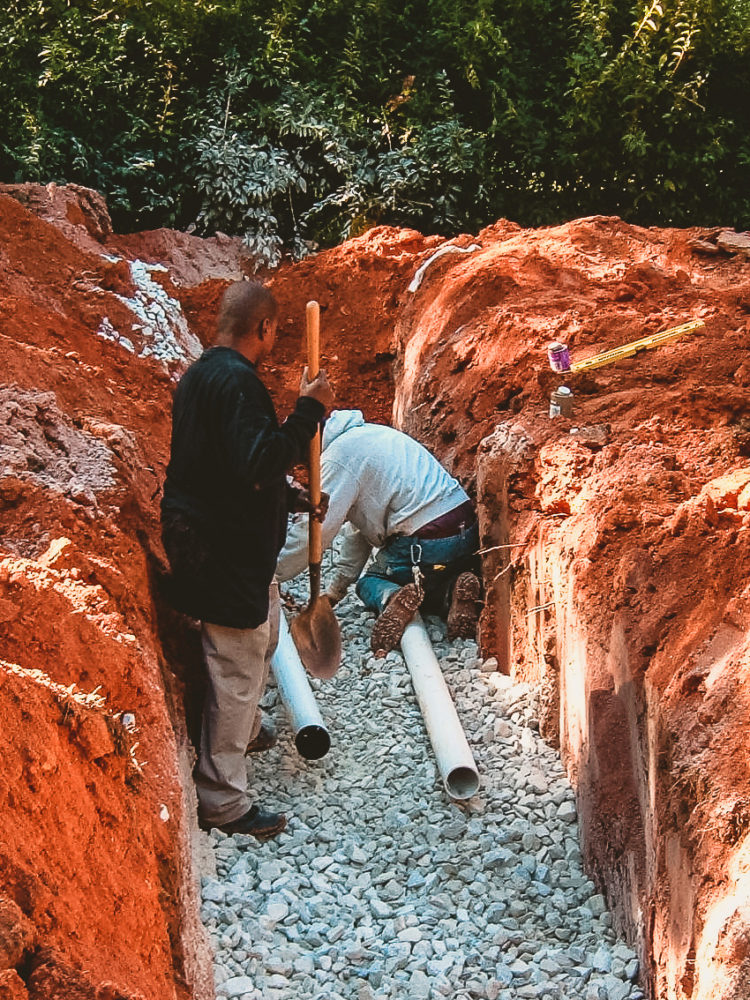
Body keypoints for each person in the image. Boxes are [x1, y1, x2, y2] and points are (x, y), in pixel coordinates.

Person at [161, 280, 333, 839]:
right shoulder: (238, 383)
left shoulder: (201, 376)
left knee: (265, 638)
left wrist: (293, 498)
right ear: (262, 328)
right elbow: (260, 460)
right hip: (222, 550)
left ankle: (245, 729)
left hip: (218, 538)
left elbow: (228, 470)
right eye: (274, 329)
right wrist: (309, 411)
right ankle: (223, 799)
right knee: (236, 665)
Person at [276, 409, 481, 656]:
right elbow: (358, 530)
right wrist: (333, 593)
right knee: (428, 580)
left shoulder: (336, 458)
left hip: (424, 542)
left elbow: (317, 530)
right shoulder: (370, 434)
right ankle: (450, 594)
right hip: (465, 534)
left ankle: (391, 596)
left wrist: (274, 573)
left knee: (369, 582)